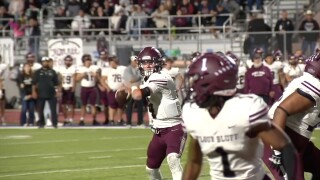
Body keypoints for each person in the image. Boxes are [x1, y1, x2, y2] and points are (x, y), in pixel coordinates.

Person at [181, 52, 298, 180]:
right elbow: (194, 162)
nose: (193, 86)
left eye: (198, 81)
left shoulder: (245, 108)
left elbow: (284, 145)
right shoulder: (193, 113)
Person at [130, 47, 186, 180]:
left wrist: (131, 89)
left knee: (173, 160)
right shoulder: (148, 78)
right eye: (144, 62)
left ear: (159, 63)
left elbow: (138, 95)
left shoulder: (160, 77)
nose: (148, 65)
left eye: (151, 62)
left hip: (174, 127)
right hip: (159, 131)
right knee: (151, 169)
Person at [265, 51, 320, 180]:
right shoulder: (314, 87)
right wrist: (277, 151)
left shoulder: (310, 81)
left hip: (297, 141)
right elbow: (281, 111)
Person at [32, 57, 60, 128]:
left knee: (53, 109)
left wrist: (57, 92)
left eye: (47, 62)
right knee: (40, 109)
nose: (45, 63)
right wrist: (34, 92)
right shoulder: (37, 72)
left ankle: (55, 123)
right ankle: (41, 123)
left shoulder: (53, 72)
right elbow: (34, 83)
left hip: (51, 93)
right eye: (44, 62)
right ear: (42, 62)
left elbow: (56, 83)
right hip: (41, 93)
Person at [100, 56, 126, 125]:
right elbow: (102, 80)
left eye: (112, 61)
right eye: (110, 62)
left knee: (121, 105)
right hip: (112, 90)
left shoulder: (123, 68)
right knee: (112, 105)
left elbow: (127, 78)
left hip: (121, 90)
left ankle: (120, 119)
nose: (111, 63)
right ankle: (111, 119)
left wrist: (124, 86)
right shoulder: (107, 70)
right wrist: (107, 87)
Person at [76, 54, 100, 126]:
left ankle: (94, 119)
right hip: (84, 88)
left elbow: (98, 78)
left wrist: (95, 75)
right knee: (83, 105)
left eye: (89, 60)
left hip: (92, 87)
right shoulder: (80, 69)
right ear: (83, 61)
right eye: (86, 60)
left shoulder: (94, 68)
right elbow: (77, 79)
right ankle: (82, 119)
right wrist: (81, 75)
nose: (88, 62)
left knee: (93, 105)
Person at [123, 55, 144, 126]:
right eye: (134, 61)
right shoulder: (127, 69)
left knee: (140, 106)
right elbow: (131, 80)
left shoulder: (140, 69)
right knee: (129, 106)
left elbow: (142, 77)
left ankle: (140, 122)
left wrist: (137, 78)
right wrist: (138, 77)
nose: (136, 62)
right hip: (130, 89)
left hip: (138, 89)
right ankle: (128, 122)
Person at [59, 55, 77, 126]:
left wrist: (73, 87)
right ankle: (66, 119)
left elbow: (75, 79)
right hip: (64, 87)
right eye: (67, 60)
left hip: (70, 87)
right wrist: (60, 87)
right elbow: (60, 79)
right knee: (63, 105)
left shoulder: (73, 68)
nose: (68, 62)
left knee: (71, 104)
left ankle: (71, 119)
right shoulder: (61, 69)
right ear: (64, 61)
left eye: (69, 60)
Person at [0, 54, 8, 125]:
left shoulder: (2, 67)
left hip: (1, 87)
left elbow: (2, 79)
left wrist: (1, 88)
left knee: (2, 104)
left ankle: (2, 117)